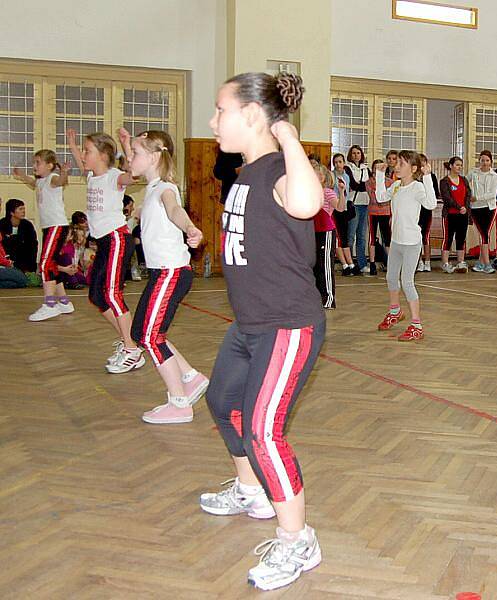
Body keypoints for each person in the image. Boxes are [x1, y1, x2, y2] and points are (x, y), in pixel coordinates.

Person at [202, 71, 326, 592]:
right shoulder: (244, 172)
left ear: (252, 116)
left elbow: (307, 205)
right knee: (221, 400)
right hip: (249, 325)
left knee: (262, 430)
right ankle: (251, 489)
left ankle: (298, 540)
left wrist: (290, 136)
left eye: (219, 110)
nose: (212, 121)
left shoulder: (278, 166)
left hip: (288, 326)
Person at [117, 127, 209, 422]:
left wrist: (190, 228)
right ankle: (190, 378)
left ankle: (180, 403)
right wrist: (126, 143)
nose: (130, 158)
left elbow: (175, 211)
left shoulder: (166, 189)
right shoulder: (152, 188)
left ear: (155, 157)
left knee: (149, 335)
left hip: (171, 273)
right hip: (162, 274)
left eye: (135, 153)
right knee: (141, 332)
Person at [67, 128, 140, 373]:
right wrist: (73, 144)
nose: (84, 156)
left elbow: (134, 176)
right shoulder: (92, 177)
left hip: (117, 238)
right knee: (96, 296)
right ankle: (128, 339)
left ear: (103, 155)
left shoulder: (113, 177)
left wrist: (127, 144)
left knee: (111, 293)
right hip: (105, 242)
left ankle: (132, 350)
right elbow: (80, 163)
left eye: (88, 151)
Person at [374, 150, 437, 340]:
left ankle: (416, 324)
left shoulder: (418, 187)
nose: (397, 166)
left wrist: (427, 177)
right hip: (396, 242)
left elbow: (431, 204)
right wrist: (378, 175)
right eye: (397, 163)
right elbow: (380, 198)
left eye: (401, 164)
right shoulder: (395, 186)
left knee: (407, 282)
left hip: (411, 243)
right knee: (391, 278)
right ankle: (395, 312)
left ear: (414, 169)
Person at [13, 150, 75, 320]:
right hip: (49, 227)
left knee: (45, 263)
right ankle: (63, 301)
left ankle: (50, 304)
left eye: (37, 162)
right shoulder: (41, 181)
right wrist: (22, 176)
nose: (34, 166)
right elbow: (33, 183)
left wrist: (64, 172)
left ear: (49, 165)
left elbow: (61, 181)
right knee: (52, 264)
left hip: (57, 226)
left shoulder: (52, 178)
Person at [312, 164, 345, 308]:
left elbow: (340, 208)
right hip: (312, 232)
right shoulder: (309, 192)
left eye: (317, 174)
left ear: (323, 177)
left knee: (325, 265)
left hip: (326, 232)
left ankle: (328, 298)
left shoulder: (327, 192)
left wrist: (342, 192)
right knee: (314, 265)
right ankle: (316, 297)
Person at [468, 150, 497, 273]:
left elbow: (492, 194)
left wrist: (478, 197)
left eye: (487, 160)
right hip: (475, 208)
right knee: (482, 235)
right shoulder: (473, 173)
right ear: (479, 161)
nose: (485, 163)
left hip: (489, 208)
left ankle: (484, 263)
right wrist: (470, 195)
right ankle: (484, 263)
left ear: (491, 162)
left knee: (485, 235)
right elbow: (464, 182)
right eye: (482, 160)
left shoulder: (494, 176)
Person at [439, 156, 472, 274]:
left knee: (461, 238)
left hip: (463, 214)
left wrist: (466, 208)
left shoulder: (464, 180)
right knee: (448, 238)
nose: (459, 167)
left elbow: (468, 195)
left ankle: (460, 262)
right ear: (451, 166)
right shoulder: (444, 181)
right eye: (457, 164)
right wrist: (459, 207)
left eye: (461, 165)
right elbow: (447, 198)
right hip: (450, 214)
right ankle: (445, 263)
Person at [344, 145, 371, 273]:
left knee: (362, 236)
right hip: (353, 204)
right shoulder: (347, 168)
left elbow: (369, 185)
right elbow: (353, 185)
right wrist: (362, 185)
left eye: (358, 153)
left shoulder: (366, 169)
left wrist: (362, 186)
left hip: (365, 203)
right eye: (354, 153)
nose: (356, 155)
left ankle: (362, 264)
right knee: (350, 236)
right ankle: (349, 263)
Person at [366, 156, 393, 276]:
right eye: (376, 168)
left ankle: (391, 264)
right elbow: (375, 198)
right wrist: (382, 198)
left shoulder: (389, 182)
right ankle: (372, 263)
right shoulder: (369, 182)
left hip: (386, 212)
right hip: (373, 212)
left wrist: (383, 199)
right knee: (372, 237)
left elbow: (388, 198)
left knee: (387, 238)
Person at [331, 153, 356, 275]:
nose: (338, 164)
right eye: (335, 162)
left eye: (340, 161)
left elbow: (347, 192)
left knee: (345, 237)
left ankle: (350, 263)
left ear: (344, 163)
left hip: (344, 208)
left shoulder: (346, 176)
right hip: (334, 208)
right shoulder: (331, 175)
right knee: (339, 237)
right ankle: (344, 264)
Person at [0, 199, 38, 275]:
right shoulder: (2, 224)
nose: (23, 211)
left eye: (24, 209)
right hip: (7, 261)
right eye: (20, 209)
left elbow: (33, 246)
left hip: (24, 261)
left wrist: (31, 268)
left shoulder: (27, 225)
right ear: (11, 212)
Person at [416, 153, 439, 272]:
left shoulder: (432, 176)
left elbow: (435, 193)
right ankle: (419, 261)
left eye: (423, 162)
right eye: (419, 162)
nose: (421, 164)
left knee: (426, 236)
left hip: (426, 210)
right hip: (415, 210)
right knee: (417, 237)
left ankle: (428, 261)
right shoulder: (413, 178)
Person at [56, 224, 92, 289]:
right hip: (61, 270)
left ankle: (70, 281)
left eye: (83, 236)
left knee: (84, 280)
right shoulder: (61, 246)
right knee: (66, 257)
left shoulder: (75, 247)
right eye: (78, 236)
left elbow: (76, 262)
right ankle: (72, 282)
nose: (80, 238)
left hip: (71, 269)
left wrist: (76, 267)